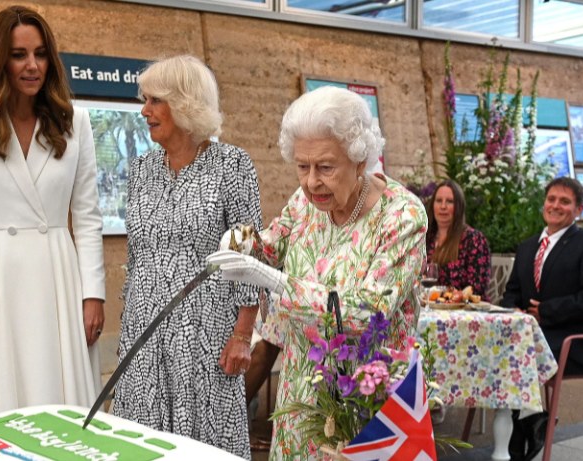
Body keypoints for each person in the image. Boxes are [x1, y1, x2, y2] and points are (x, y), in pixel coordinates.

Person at [208, 86, 427, 459]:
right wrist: (242, 241)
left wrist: (275, 281)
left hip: (365, 399)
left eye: (325, 167)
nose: (311, 182)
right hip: (300, 394)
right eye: (302, 166)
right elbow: (272, 243)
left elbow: (365, 312)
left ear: (360, 160)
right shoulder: (305, 203)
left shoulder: (402, 216)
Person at [0, 5, 105, 419]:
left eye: (41, 53)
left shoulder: (74, 122)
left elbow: (87, 217)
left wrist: (92, 294)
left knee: (61, 396)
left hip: (59, 275)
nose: (33, 65)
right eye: (19, 55)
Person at [113, 55, 262, 459]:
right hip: (144, 331)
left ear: (185, 103)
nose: (145, 111)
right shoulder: (142, 169)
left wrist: (243, 335)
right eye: (145, 101)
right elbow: (138, 251)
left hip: (206, 335)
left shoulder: (233, 165)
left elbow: (248, 254)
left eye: (154, 101)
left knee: (205, 445)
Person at [501, 177, 583, 460]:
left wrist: (547, 310)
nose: (555, 205)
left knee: (514, 353)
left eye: (565, 201)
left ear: (579, 210)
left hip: (578, 342)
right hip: (534, 339)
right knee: (496, 348)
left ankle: (520, 429)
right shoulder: (528, 247)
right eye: (551, 199)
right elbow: (511, 292)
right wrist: (514, 309)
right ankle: (529, 418)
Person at [426, 180, 491, 299]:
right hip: (430, 307)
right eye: (439, 201)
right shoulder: (426, 238)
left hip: (464, 311)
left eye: (450, 201)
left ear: (459, 207)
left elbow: (477, 287)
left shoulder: (474, 239)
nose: (443, 206)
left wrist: (445, 296)